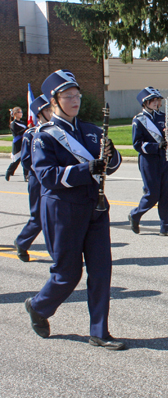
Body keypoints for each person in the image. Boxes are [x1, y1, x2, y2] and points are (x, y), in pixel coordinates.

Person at [25, 69, 125, 350]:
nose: (74, 100)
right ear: (53, 101)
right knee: (68, 274)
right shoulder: (43, 136)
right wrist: (86, 169)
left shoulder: (92, 131)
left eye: (77, 95)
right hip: (63, 210)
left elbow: (111, 165)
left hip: (96, 207)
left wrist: (110, 155)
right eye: (67, 96)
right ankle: (38, 307)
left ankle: (99, 331)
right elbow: (47, 176)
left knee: (101, 270)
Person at [128, 87, 168, 236]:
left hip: (163, 159)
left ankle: (166, 227)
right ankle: (135, 215)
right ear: (145, 103)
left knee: (165, 194)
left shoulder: (163, 117)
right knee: (153, 194)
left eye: (158, 100)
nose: (157, 103)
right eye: (153, 100)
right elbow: (137, 144)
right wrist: (156, 146)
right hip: (148, 160)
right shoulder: (139, 120)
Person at [14, 95, 52, 262]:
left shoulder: (56, 130)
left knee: (54, 217)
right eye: (47, 110)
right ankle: (22, 242)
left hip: (54, 178)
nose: (51, 112)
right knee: (38, 217)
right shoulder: (31, 133)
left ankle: (60, 254)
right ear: (39, 114)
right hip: (38, 179)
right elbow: (26, 160)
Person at [5, 107, 28, 181]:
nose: (21, 113)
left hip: (23, 142)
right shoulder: (13, 124)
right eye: (19, 112)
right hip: (17, 144)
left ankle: (26, 175)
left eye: (21, 112)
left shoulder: (22, 122)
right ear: (15, 114)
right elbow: (17, 133)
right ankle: (9, 172)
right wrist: (27, 129)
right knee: (16, 161)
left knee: (25, 159)